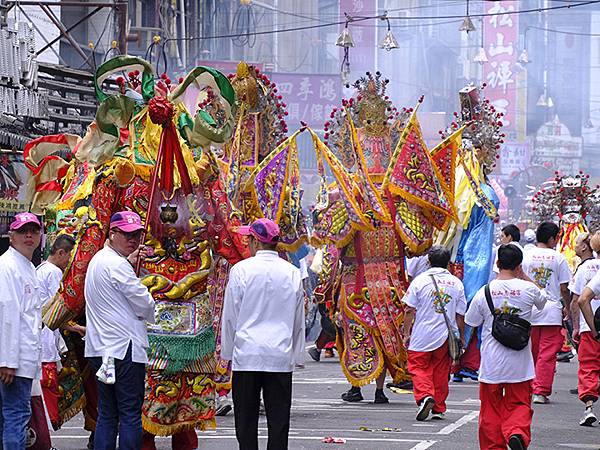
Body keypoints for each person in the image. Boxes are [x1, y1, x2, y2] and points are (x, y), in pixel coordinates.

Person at [221, 218, 305, 450]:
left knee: (245, 421)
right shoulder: (291, 272)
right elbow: (299, 319)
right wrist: (297, 355)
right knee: (279, 422)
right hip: (279, 354)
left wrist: (227, 352)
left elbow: (230, 316)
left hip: (247, 354)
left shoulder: (241, 271)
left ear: (254, 242)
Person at [85, 211, 155, 450]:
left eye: (136, 234)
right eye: (127, 234)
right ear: (112, 234)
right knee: (129, 414)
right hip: (123, 350)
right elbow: (145, 303)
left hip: (99, 348)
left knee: (107, 413)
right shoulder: (117, 265)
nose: (133, 239)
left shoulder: (99, 260)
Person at [466, 244, 546, 450]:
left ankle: (494, 447)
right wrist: (524, 276)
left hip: (492, 362)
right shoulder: (529, 290)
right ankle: (516, 432)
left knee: (490, 409)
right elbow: (543, 300)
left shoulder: (484, 292)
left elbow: (472, 321)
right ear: (519, 266)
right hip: (519, 362)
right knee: (519, 403)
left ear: (497, 263)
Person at [402, 246, 466, 421]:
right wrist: (461, 337)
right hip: (445, 336)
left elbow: (409, 310)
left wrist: (406, 333)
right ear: (448, 263)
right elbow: (461, 316)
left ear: (428, 262)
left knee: (417, 367)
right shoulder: (457, 283)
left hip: (422, 334)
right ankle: (438, 407)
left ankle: (424, 396)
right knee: (440, 371)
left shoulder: (419, 281)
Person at [0, 212, 43, 449]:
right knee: (16, 416)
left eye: (34, 231)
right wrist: (7, 360)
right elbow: (7, 314)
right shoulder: (8, 266)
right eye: (23, 231)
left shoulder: (26, 266)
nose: (29, 235)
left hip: (21, 357)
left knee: (11, 417)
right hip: (14, 360)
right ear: (11, 235)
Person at [522, 221, 571, 404]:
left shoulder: (526, 256)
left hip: (529, 309)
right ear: (552, 238)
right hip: (551, 311)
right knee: (547, 353)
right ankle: (540, 391)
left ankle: (527, 387)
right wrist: (567, 307)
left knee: (530, 351)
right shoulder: (558, 258)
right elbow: (564, 288)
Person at [37, 234, 76, 430]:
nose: (70, 262)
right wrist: (79, 328)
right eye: (70, 257)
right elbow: (59, 310)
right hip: (46, 340)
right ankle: (47, 434)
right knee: (49, 389)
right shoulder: (52, 272)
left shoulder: (42, 268)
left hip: (43, 338)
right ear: (61, 253)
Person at [568, 232, 600, 426]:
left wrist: (578, 326)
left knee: (588, 366)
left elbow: (577, 300)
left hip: (591, 327)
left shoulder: (585, 269)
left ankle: (589, 407)